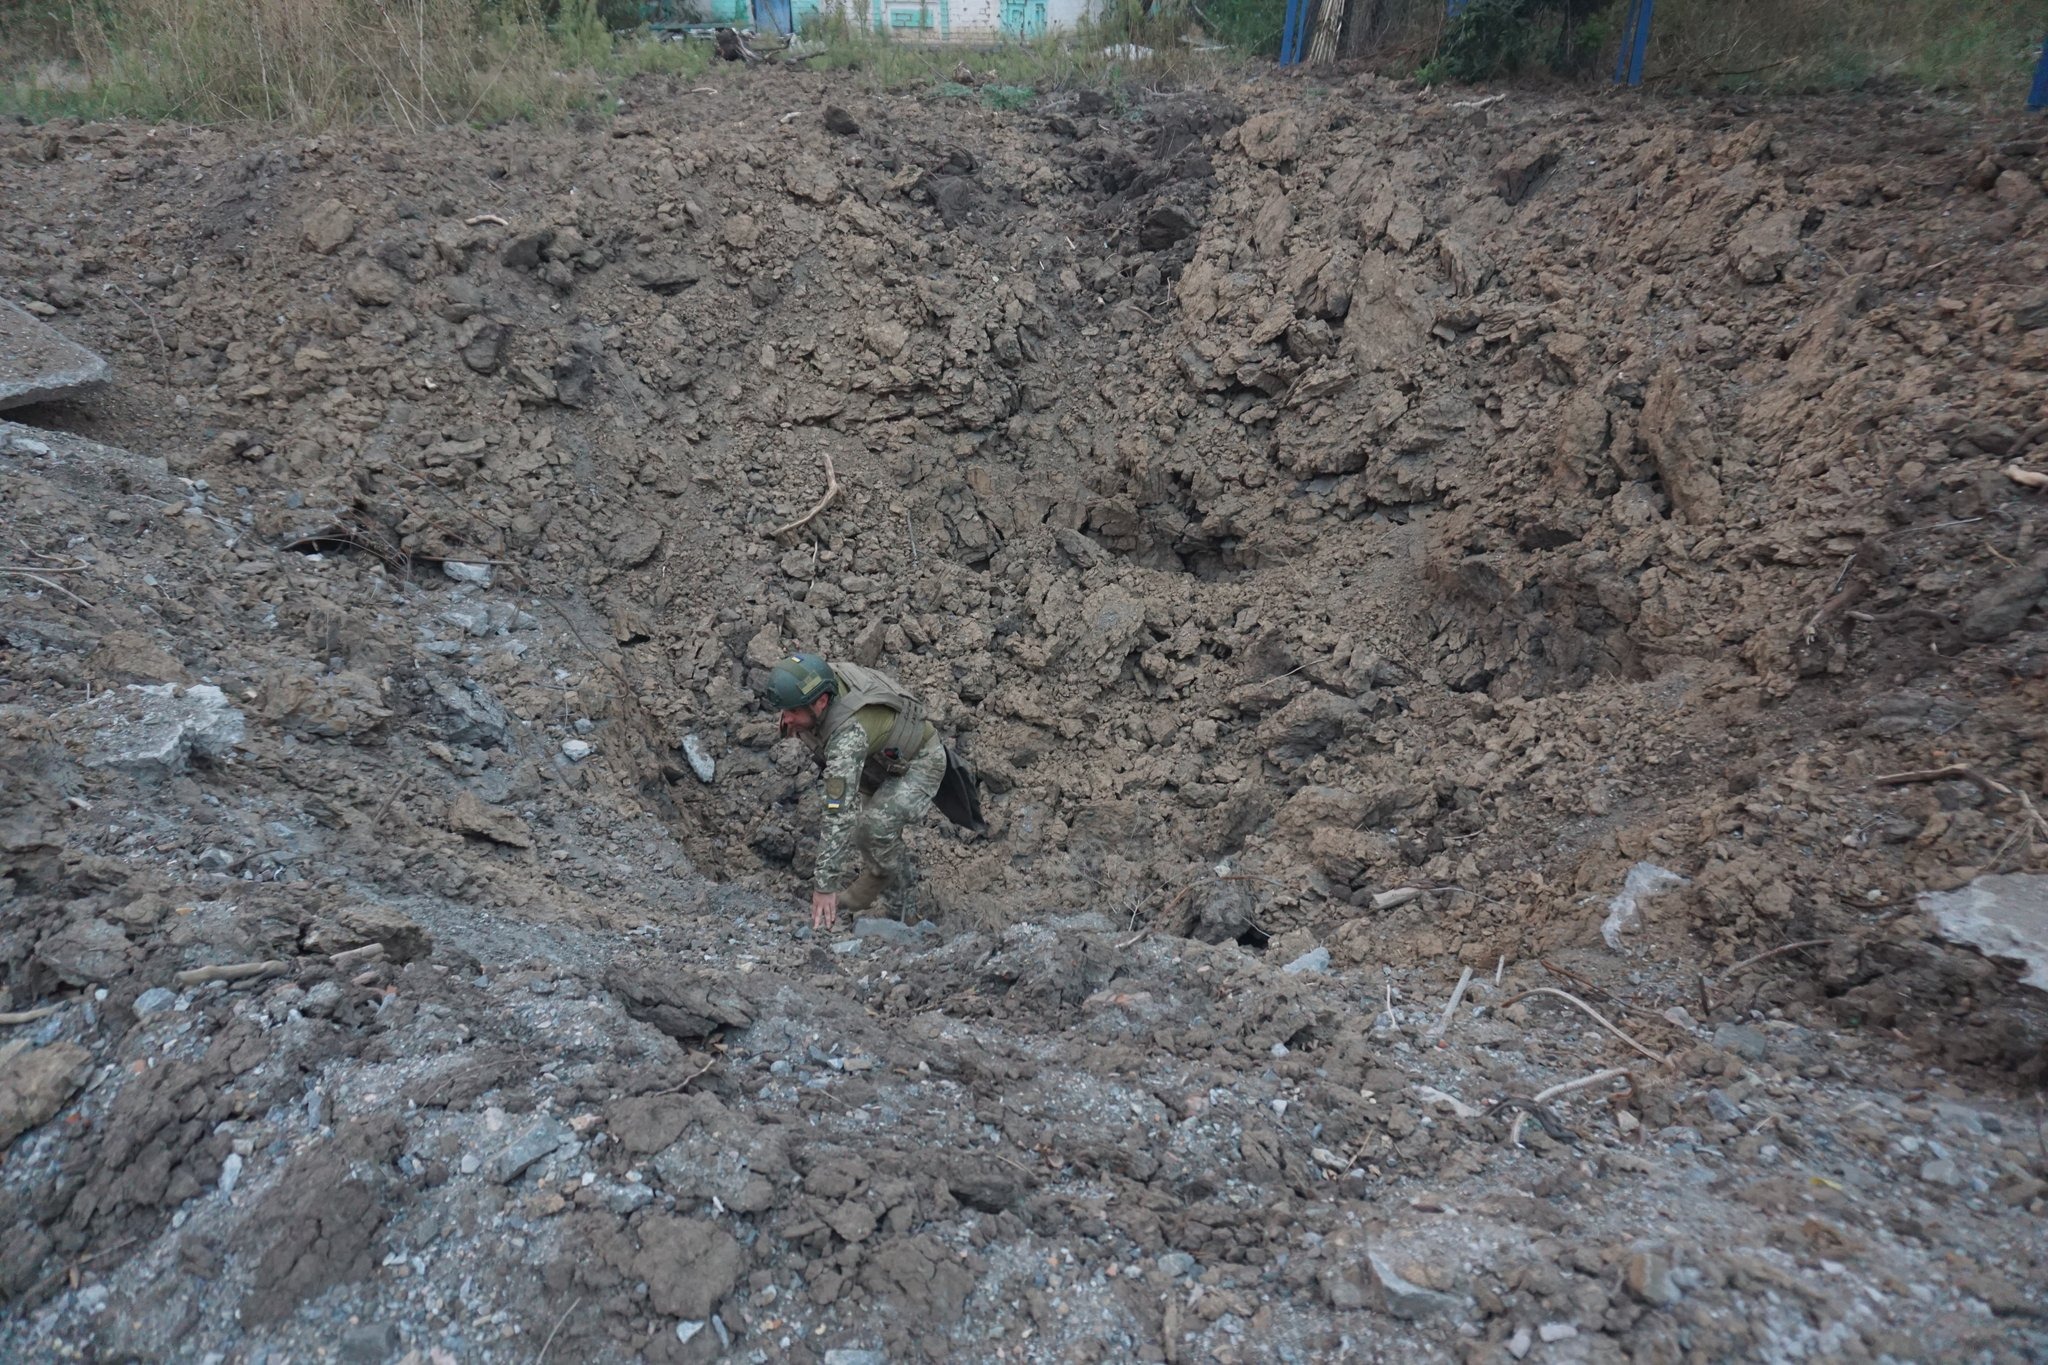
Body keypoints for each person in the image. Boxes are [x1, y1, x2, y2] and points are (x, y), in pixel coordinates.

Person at [761, 652, 982, 931]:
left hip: (919, 761)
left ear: (821, 702)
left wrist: (825, 886)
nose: (786, 719)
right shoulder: (817, 686)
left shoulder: (848, 735)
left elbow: (838, 811)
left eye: (793, 712)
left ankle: (904, 912)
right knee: (866, 834)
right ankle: (885, 880)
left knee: (873, 829)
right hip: (878, 763)